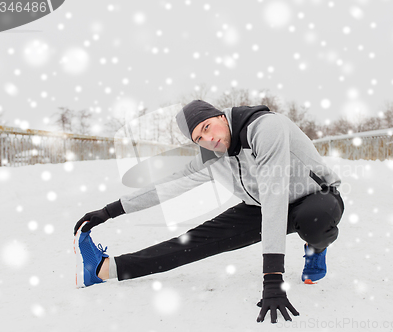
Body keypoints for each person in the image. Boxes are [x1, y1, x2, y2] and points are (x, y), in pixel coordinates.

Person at [73, 100, 344, 324]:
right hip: (261, 206)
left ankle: (316, 249)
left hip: (316, 196)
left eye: (207, 127)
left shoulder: (265, 128)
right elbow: (168, 186)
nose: (208, 139)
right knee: (193, 241)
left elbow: (275, 193)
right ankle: (103, 269)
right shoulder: (212, 153)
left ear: (220, 116)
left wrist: (272, 278)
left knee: (313, 221)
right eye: (198, 138)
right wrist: (108, 211)